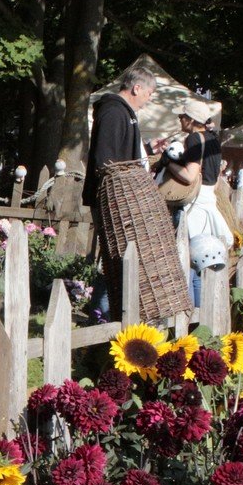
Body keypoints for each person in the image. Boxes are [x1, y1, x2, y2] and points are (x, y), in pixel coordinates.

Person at [83, 65, 157, 322]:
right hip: (113, 199)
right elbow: (107, 161)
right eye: (149, 94)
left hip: (121, 199)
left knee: (120, 258)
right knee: (115, 259)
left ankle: (107, 313)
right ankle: (100, 314)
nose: (148, 100)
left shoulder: (125, 113)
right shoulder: (114, 112)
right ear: (137, 88)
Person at [164, 99, 231, 306]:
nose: (179, 119)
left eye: (182, 116)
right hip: (209, 202)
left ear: (191, 119)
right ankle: (201, 318)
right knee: (200, 268)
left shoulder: (194, 139)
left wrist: (169, 164)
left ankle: (189, 317)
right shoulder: (213, 140)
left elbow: (190, 175)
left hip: (193, 206)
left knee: (187, 265)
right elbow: (216, 178)